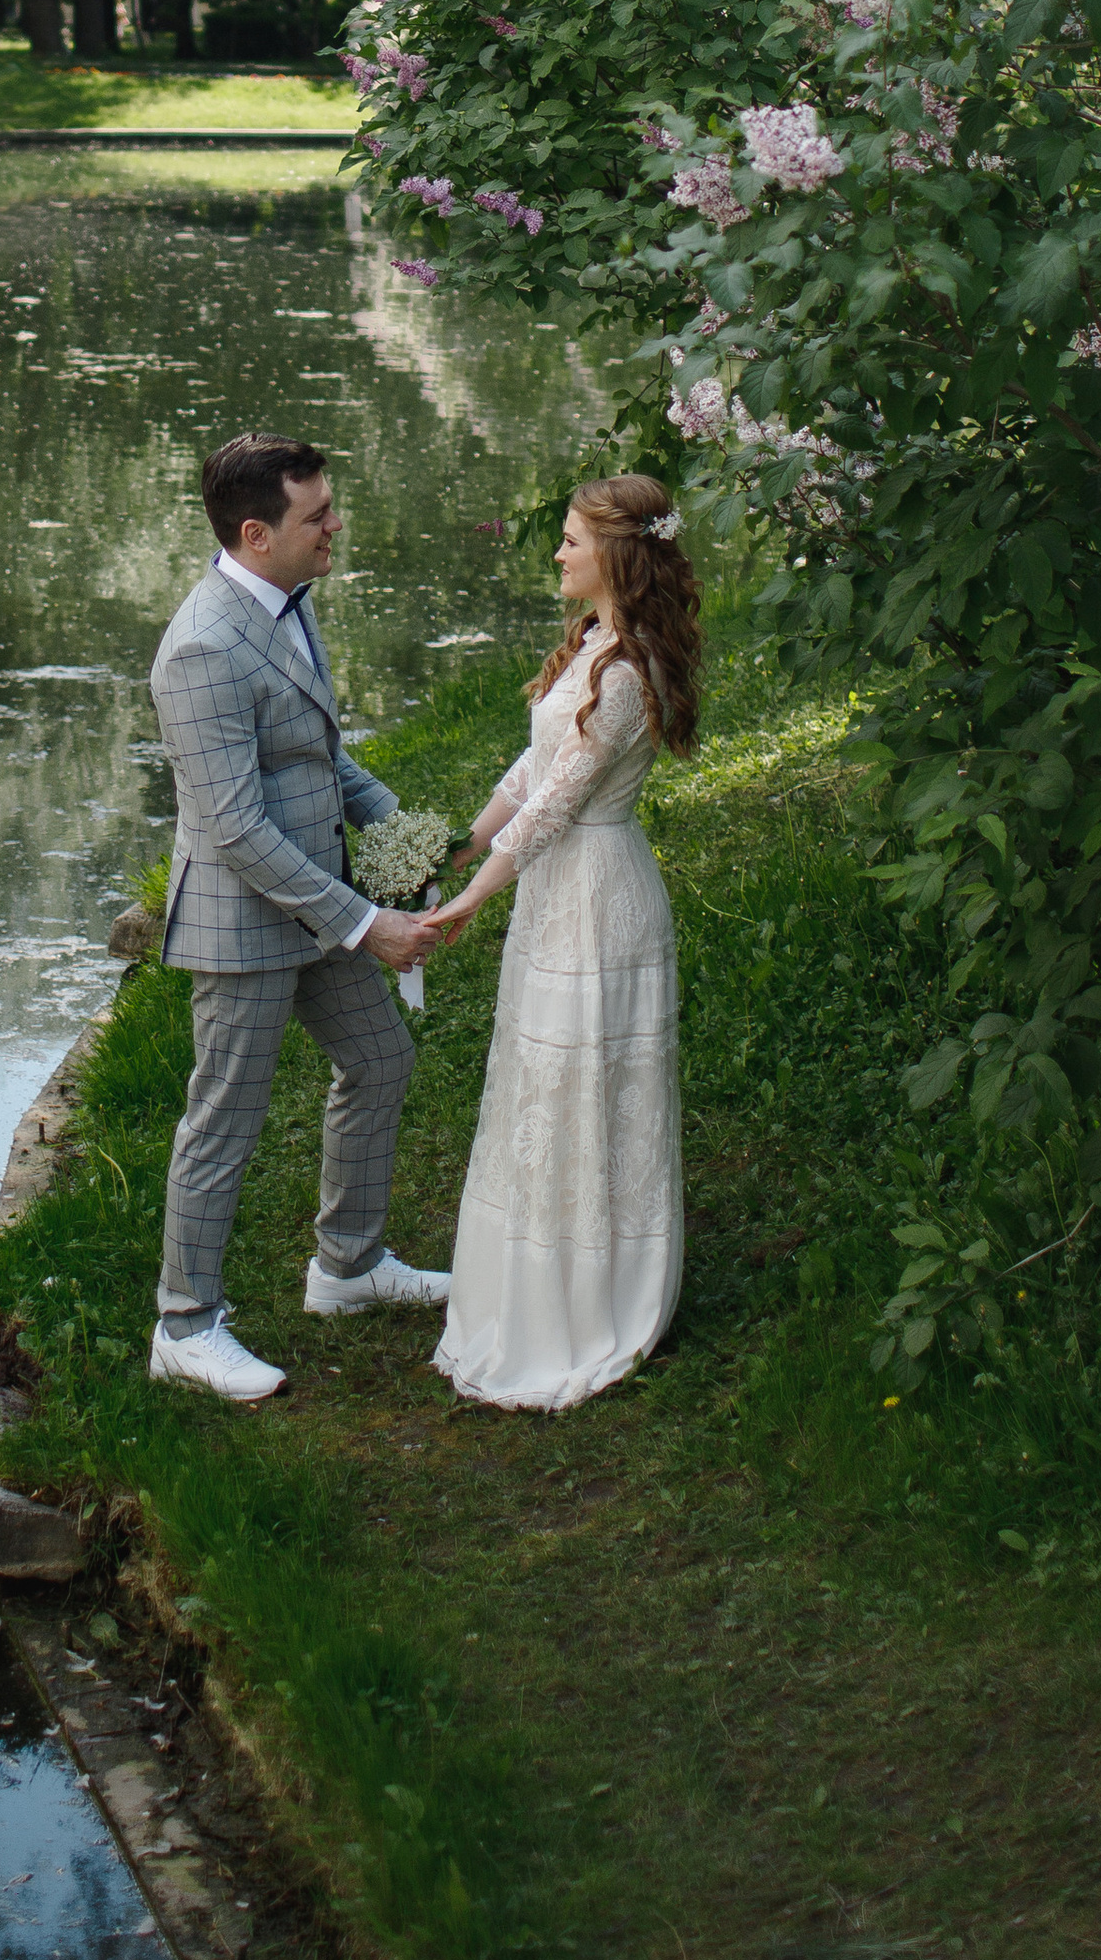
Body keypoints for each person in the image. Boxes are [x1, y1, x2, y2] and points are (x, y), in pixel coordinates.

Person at [148, 434, 450, 1405]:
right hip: (244, 922)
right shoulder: (201, 647)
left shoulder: (283, 603)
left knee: (380, 1059)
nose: (333, 525)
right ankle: (184, 1326)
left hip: (315, 896)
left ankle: (348, 1269)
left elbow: (316, 755)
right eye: (316, 515)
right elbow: (234, 827)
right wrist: (367, 924)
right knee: (221, 1124)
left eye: (328, 507)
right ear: (254, 533)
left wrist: (404, 832)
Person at [426, 475, 695, 1410]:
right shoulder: (590, 645)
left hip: (595, 897)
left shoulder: (625, 675)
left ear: (618, 553)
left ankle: (590, 1300)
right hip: (556, 893)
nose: (558, 553)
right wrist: (459, 840)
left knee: (587, 1088)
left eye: (573, 540)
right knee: (540, 1085)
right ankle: (524, 1283)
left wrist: (470, 896)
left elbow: (556, 807)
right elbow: (528, 772)